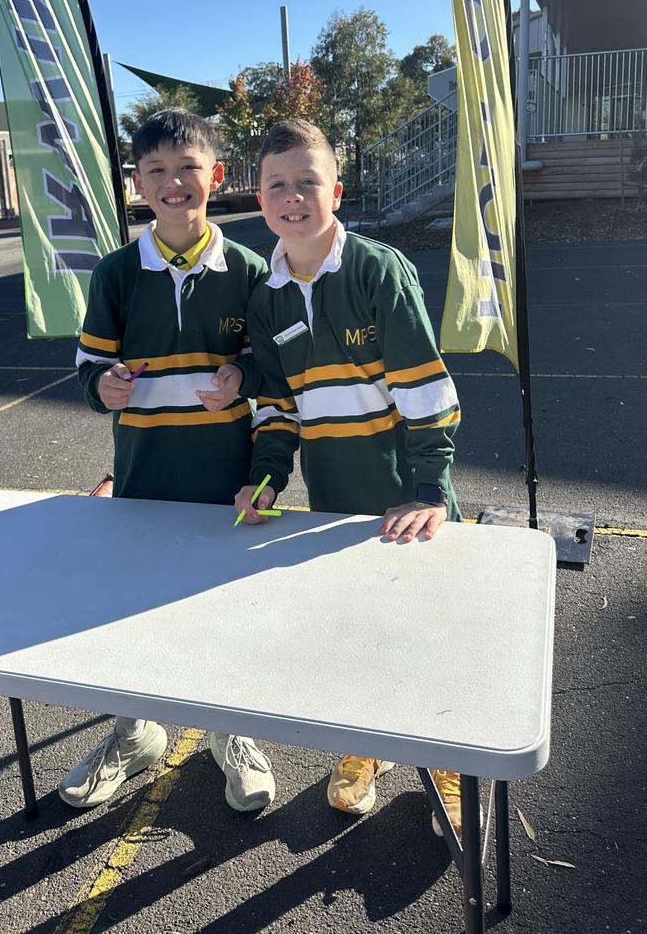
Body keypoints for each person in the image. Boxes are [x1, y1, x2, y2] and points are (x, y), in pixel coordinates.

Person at [234, 118, 466, 832]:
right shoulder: (267, 297)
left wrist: (429, 489)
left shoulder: (376, 270)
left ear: (336, 190)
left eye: (308, 182)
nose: (293, 196)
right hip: (334, 501)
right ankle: (366, 744)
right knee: (359, 631)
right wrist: (268, 480)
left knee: (430, 630)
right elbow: (277, 406)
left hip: (408, 499)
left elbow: (426, 389)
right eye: (278, 185)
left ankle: (448, 758)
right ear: (260, 199)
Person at [59, 108, 276, 814]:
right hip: (144, 476)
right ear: (138, 183)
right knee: (131, 610)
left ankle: (231, 730)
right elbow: (89, 367)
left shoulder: (250, 270)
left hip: (225, 479)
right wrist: (103, 386)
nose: (173, 182)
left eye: (188, 168)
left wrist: (242, 374)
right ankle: (135, 732)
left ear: (217, 175)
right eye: (156, 170)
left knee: (225, 605)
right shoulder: (118, 273)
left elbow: (271, 366)